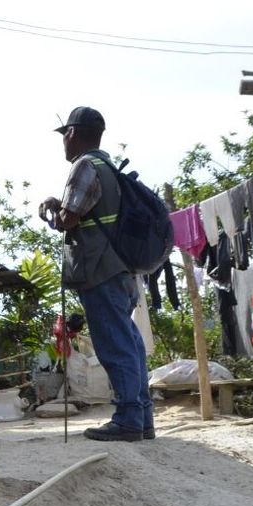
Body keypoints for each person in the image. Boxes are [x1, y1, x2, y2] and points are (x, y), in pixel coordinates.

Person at [39, 106, 155, 442]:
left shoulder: (85, 166)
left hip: (100, 269)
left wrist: (52, 208)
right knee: (130, 342)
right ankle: (142, 417)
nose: (63, 143)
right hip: (123, 269)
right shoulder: (110, 168)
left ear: (72, 134)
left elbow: (69, 218)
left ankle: (128, 419)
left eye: (64, 136)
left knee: (115, 343)